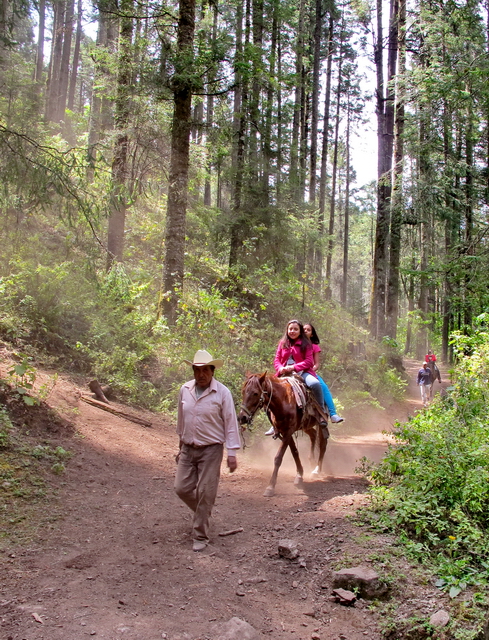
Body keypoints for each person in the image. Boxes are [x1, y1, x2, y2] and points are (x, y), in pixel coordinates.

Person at [175, 349, 241, 552]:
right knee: (182, 488)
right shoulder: (185, 389)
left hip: (211, 450)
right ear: (193, 370)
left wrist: (231, 453)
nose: (201, 374)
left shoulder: (222, 393)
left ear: (212, 371)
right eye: (197, 370)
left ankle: (201, 536)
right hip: (188, 447)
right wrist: (180, 445)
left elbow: (230, 423)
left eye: (205, 370)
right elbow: (181, 419)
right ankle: (203, 513)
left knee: (205, 492)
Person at [265, 319, 328, 436]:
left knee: (315, 384)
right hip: (283, 373)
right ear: (287, 330)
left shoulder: (307, 344)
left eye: (295, 329)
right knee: (266, 391)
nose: (292, 331)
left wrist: (293, 367)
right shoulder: (282, 343)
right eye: (290, 329)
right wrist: (280, 368)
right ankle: (274, 423)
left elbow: (309, 362)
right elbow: (277, 359)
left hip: (302, 372)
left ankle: (321, 414)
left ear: (300, 331)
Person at [303, 323, 344, 424]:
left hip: (309, 372)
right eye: (303, 329)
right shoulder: (294, 344)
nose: (305, 331)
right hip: (295, 372)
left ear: (312, 334)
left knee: (322, 386)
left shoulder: (314, 346)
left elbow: (317, 364)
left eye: (308, 330)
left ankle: (332, 413)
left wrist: (311, 369)